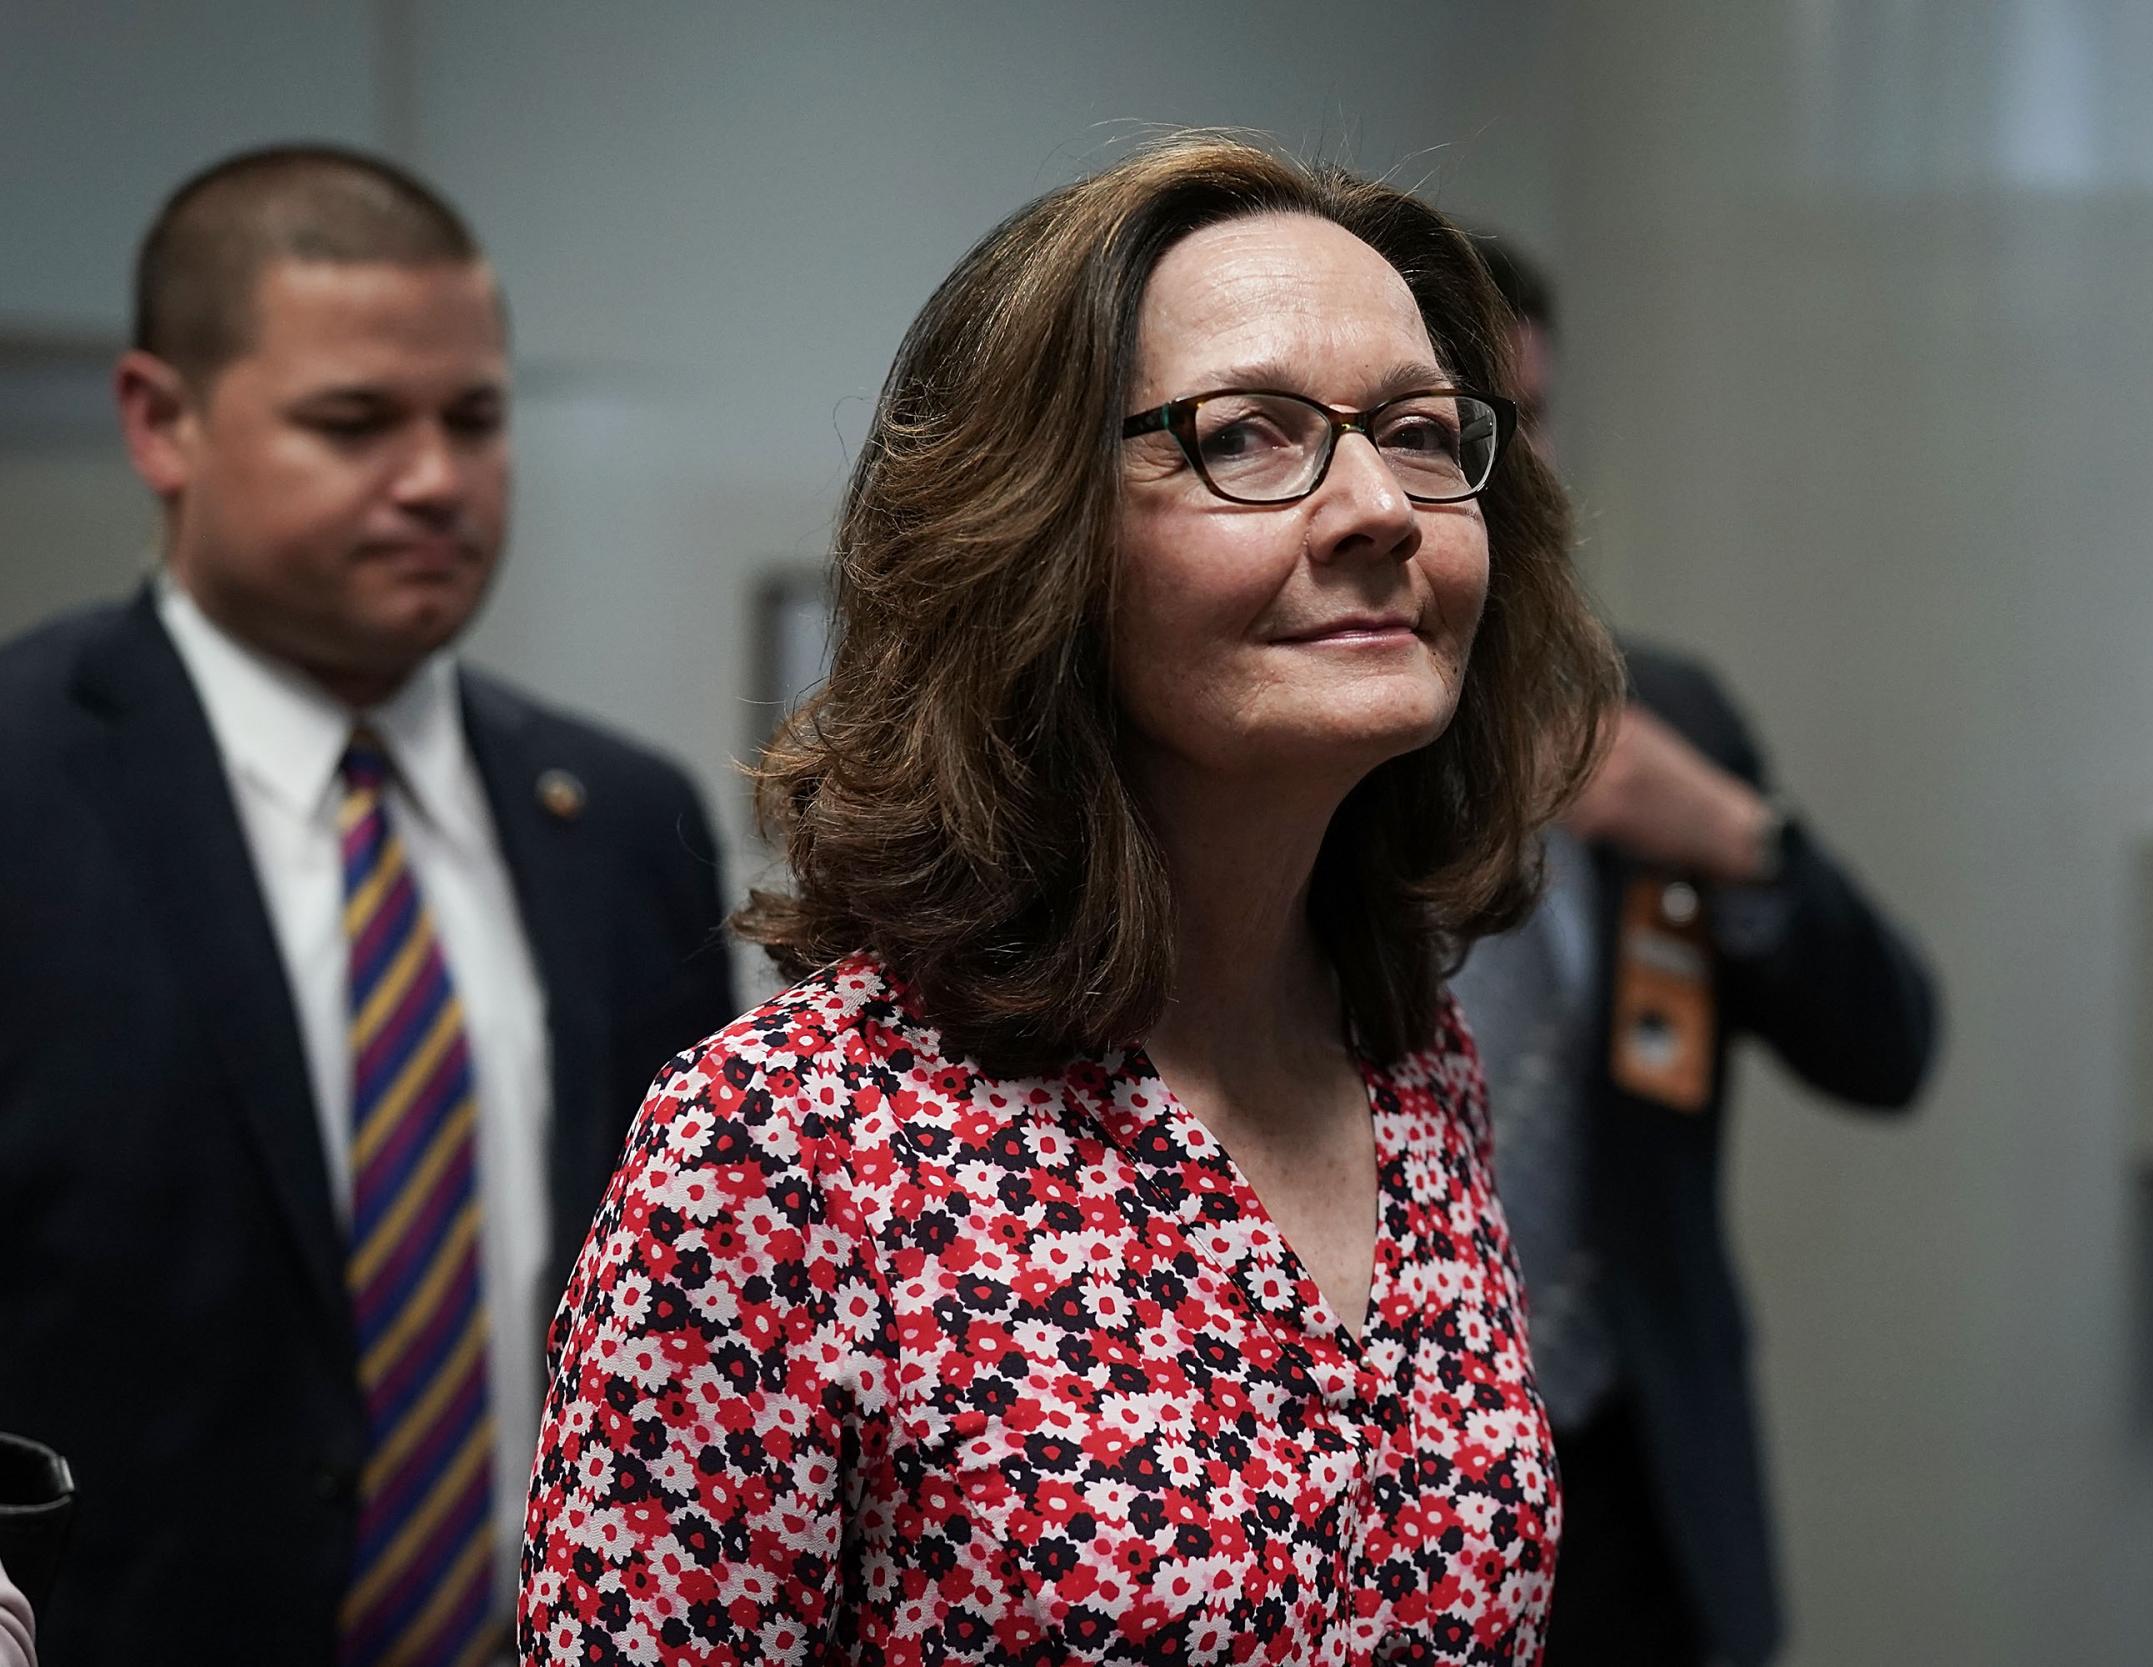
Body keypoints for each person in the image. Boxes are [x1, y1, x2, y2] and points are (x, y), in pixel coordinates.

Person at [516, 136, 1620, 1665]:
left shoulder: (1413, 1066)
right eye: (1251, 436)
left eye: (1424, 435)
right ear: (1038, 537)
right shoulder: (792, 1149)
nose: (1380, 506)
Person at [0, 146, 738, 1666]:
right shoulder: (18, 783)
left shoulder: (624, 823)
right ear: (161, 421)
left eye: (475, 419)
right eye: (355, 423)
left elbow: (690, 1322)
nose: (435, 479)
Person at [1451, 237, 1942, 1666]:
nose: (1503, 469)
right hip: (1377, 1478)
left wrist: (1743, 842)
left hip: (1639, 1467)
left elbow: (1890, 1047)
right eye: (1450, 427)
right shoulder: (1292, 758)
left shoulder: (1656, 714)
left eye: (1526, 422)